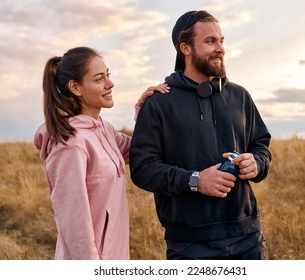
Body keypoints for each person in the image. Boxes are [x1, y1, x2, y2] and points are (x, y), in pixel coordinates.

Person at [129, 11, 272, 260]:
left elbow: (261, 146)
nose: (220, 48)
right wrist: (195, 180)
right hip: (190, 246)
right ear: (185, 48)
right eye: (210, 41)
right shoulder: (159, 103)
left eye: (221, 40)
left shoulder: (240, 96)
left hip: (247, 238)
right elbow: (143, 169)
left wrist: (256, 163)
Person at [34, 46, 169, 260]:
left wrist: (146, 112)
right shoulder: (71, 144)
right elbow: (73, 221)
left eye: (108, 75)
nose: (110, 84)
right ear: (76, 88)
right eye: (99, 79)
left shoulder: (104, 129)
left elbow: (139, 150)